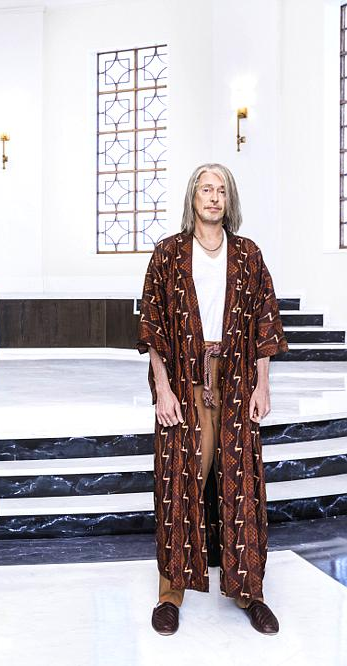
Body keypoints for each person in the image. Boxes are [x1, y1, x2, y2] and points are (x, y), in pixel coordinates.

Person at [139, 163, 287, 636]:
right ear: (193, 197)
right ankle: (170, 595)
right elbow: (153, 328)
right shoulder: (168, 254)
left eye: (221, 190)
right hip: (185, 381)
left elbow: (265, 322)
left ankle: (250, 592)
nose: (214, 196)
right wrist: (163, 388)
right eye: (206, 188)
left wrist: (263, 384)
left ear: (229, 200)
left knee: (242, 484)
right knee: (179, 482)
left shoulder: (247, 254)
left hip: (237, 380)